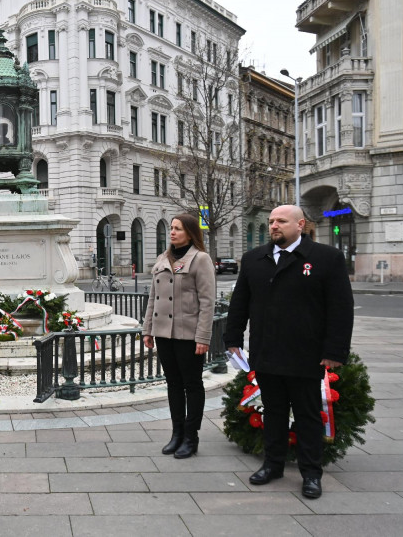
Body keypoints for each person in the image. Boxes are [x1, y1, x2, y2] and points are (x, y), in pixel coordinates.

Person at [224, 204, 353, 499]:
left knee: (307, 415)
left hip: (305, 355)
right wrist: (232, 340)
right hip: (267, 352)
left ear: (300, 224)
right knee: (274, 412)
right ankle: (273, 465)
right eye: (271, 221)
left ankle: (311, 473)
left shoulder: (326, 258)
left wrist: (335, 350)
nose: (273, 226)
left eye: (281, 221)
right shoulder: (254, 259)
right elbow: (240, 304)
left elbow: (340, 309)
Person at [142, 213, 215, 459]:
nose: (172, 232)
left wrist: (203, 337)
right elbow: (153, 298)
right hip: (164, 333)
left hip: (188, 335)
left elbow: (207, 302)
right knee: (173, 384)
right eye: (172, 228)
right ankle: (176, 433)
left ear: (190, 233)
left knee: (192, 385)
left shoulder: (200, 259)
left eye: (178, 229)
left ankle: (190, 436)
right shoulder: (163, 258)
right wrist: (147, 329)